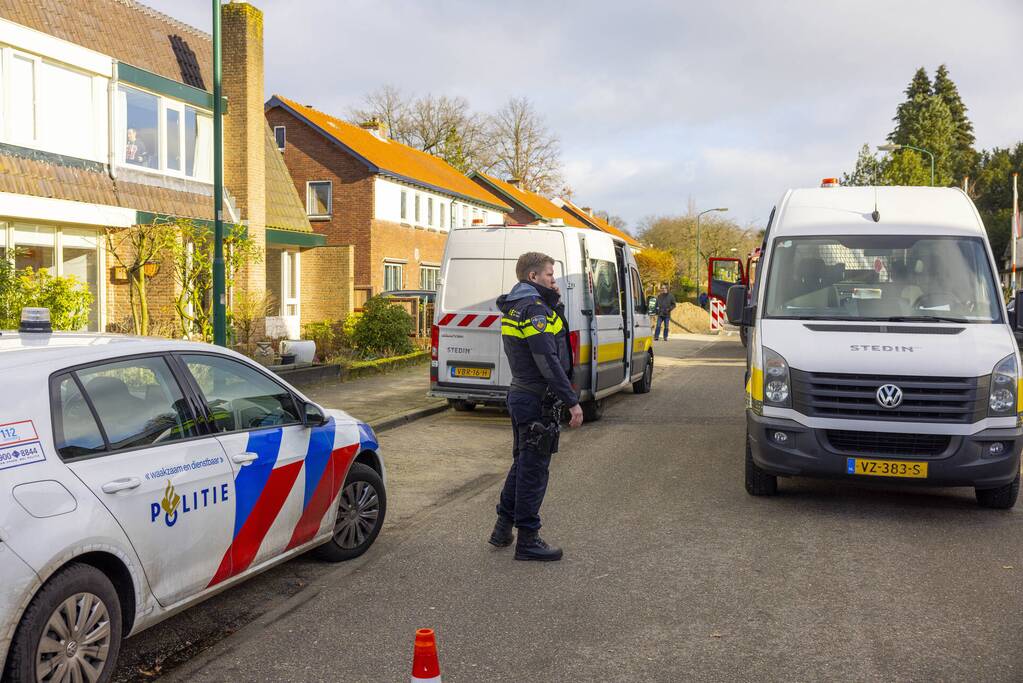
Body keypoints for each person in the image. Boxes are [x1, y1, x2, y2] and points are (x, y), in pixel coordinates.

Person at [489, 251, 584, 561]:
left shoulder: (522, 306)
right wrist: (572, 400)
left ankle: (503, 527)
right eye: (549, 276)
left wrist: (554, 301)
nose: (554, 281)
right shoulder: (534, 310)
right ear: (533, 277)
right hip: (535, 399)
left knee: (522, 464)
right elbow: (547, 359)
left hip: (522, 395)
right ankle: (528, 539)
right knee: (533, 471)